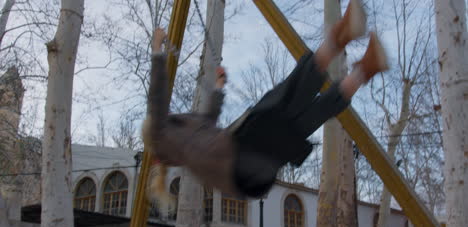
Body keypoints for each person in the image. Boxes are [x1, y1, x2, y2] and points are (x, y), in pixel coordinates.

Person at [144, 0, 388, 201]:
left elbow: (208, 117)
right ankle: (341, 36)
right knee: (284, 97)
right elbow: (157, 97)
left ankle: (365, 69)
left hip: (253, 175)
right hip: (239, 157)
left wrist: (218, 89)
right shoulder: (158, 135)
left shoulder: (186, 149)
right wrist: (156, 49)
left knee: (299, 124)